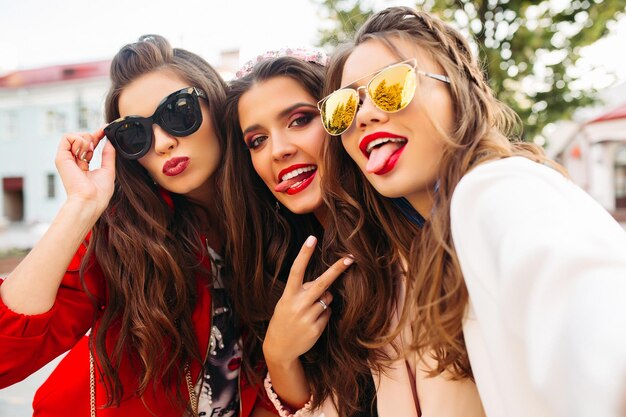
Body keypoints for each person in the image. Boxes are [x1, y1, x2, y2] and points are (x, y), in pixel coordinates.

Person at [319, 6, 626, 417]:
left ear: (457, 92)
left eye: (391, 86)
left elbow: (599, 323)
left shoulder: (494, 188)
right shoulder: (402, 254)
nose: (366, 114)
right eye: (344, 107)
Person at [0, 35, 271, 417]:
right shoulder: (124, 237)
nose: (161, 143)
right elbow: (4, 356)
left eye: (179, 112)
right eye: (135, 133)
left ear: (219, 106)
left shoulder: (276, 223)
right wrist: (80, 206)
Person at [223, 50, 484, 416]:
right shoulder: (288, 270)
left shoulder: (423, 238)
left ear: (343, 116)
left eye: (300, 120)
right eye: (257, 141)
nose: (278, 150)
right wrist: (280, 356)